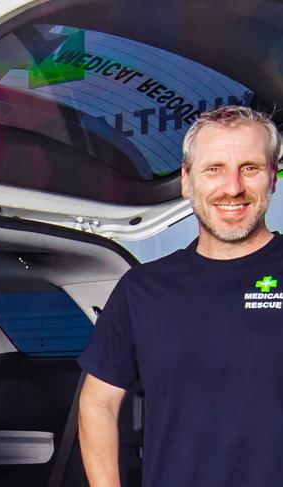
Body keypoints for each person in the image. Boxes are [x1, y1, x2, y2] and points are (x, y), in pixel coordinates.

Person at [77, 105, 282, 487]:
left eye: (250, 168)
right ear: (187, 181)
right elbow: (98, 402)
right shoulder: (142, 289)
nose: (233, 188)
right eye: (214, 169)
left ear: (273, 178)